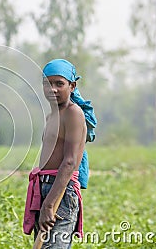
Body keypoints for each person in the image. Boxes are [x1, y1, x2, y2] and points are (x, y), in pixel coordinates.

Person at [23, 59, 90, 248]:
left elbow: (69, 163)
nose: (52, 89)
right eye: (47, 83)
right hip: (44, 189)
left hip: (61, 190)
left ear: (72, 86)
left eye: (59, 84)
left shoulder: (73, 113)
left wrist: (50, 205)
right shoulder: (51, 115)